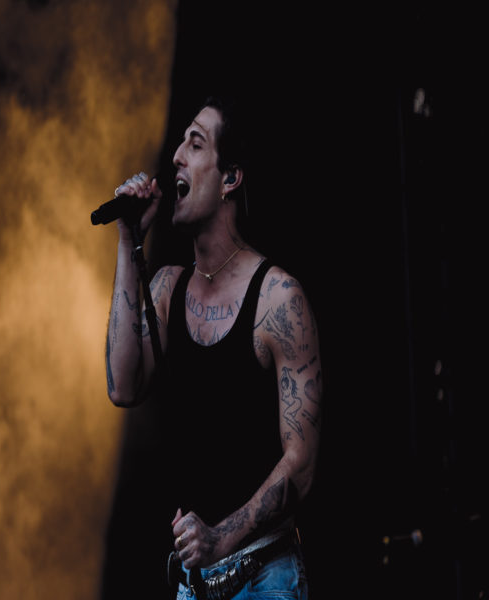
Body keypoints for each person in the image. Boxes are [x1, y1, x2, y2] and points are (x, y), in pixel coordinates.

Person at [105, 96, 322, 599]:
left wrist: (219, 538)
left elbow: (303, 465)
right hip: (195, 585)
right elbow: (122, 386)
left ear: (231, 178)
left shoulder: (278, 299)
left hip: (265, 577)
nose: (176, 156)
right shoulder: (165, 288)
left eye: (195, 143)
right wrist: (127, 241)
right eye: (180, 142)